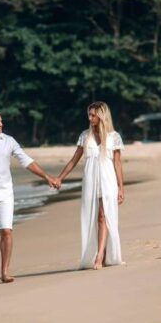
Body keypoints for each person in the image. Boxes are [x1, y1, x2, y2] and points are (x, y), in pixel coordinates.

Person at [0, 110, 60, 285]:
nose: (1, 124)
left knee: (6, 231)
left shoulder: (9, 141)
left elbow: (26, 161)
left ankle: (5, 272)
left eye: (1, 121)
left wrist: (46, 177)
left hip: (5, 194)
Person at [56, 101, 125, 270]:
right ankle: (103, 252)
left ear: (102, 116)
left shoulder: (114, 137)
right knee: (93, 218)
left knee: (103, 216)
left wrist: (121, 187)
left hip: (108, 180)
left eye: (93, 115)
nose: (90, 118)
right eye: (89, 114)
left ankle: (99, 256)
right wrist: (60, 178)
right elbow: (74, 160)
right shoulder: (85, 136)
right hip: (90, 180)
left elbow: (117, 163)